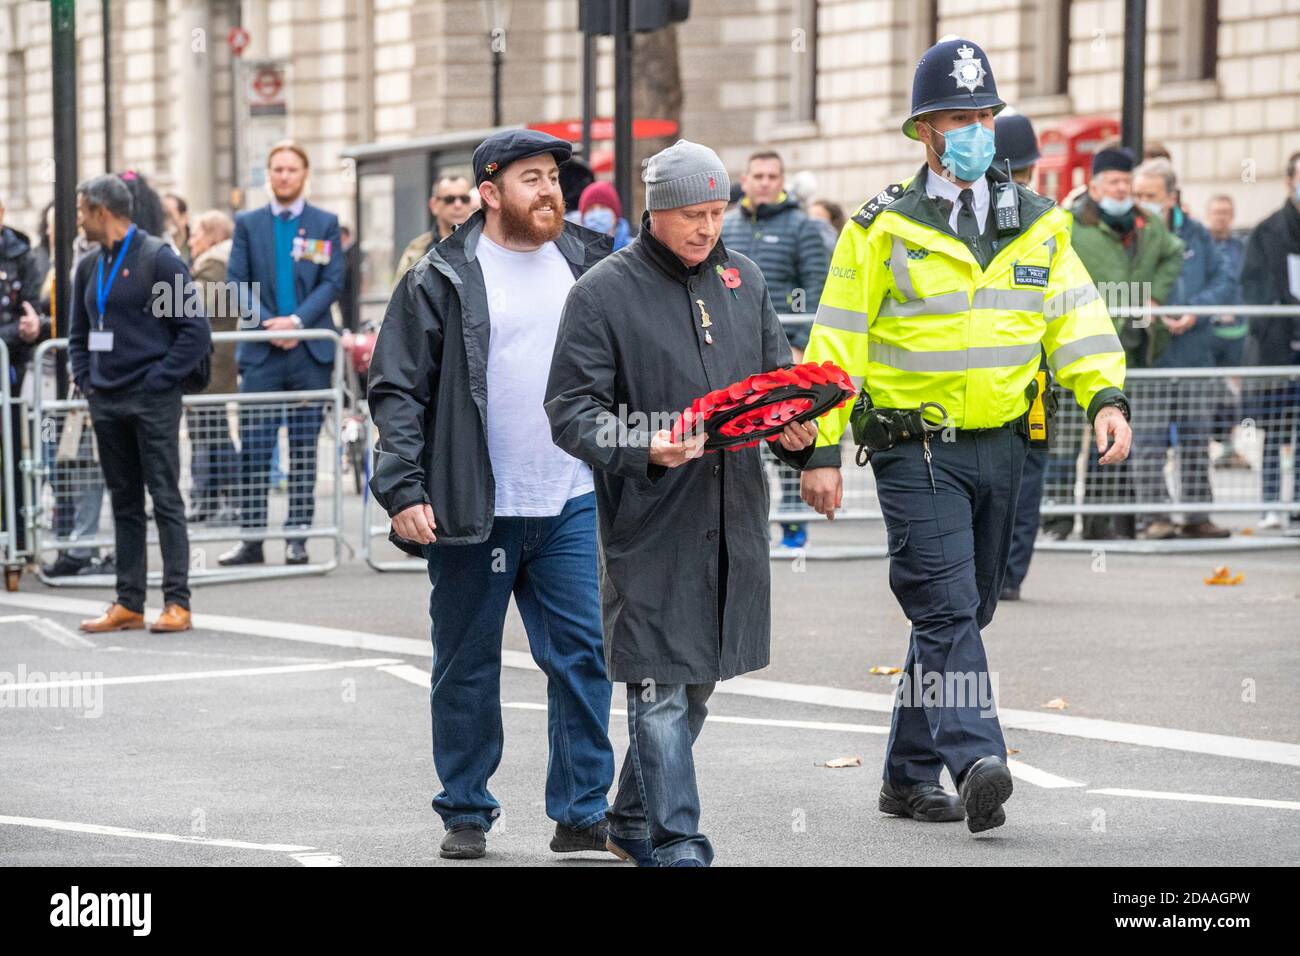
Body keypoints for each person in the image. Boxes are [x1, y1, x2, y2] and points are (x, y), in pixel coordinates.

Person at [800, 39, 1131, 835]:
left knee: (964, 611)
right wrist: (819, 447)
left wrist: (1104, 399)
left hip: (1003, 443)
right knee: (945, 606)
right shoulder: (880, 228)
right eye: (959, 118)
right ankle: (977, 755)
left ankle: (907, 777)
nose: (977, 130)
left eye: (986, 114)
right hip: (912, 446)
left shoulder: (1040, 225)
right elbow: (836, 340)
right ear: (926, 132)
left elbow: (1076, 320)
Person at [546, 139, 817, 866]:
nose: (706, 227)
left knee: (697, 683)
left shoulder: (744, 278)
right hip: (650, 518)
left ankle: (629, 820)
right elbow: (571, 411)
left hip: (732, 515)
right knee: (660, 684)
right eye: (691, 213)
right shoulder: (601, 292)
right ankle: (677, 839)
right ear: (655, 211)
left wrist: (800, 435)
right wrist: (647, 445)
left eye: (717, 211)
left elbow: (775, 381)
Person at [368, 129, 617, 862]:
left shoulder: (592, 261)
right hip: (474, 504)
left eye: (553, 177)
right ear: (489, 192)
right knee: (467, 661)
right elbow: (397, 389)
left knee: (582, 658)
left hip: (571, 497)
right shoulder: (440, 274)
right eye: (531, 177)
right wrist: (402, 489)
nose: (549, 190)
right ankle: (467, 809)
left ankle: (579, 812)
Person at [68, 175, 210, 634]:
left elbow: (194, 332)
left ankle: (177, 602)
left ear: (100, 211)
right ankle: (128, 602)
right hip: (105, 401)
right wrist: (88, 381)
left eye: (80, 210)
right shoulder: (89, 267)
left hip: (151, 401)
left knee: (165, 499)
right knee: (124, 503)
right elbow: (78, 335)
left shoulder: (158, 258)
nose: (77, 219)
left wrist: (157, 381)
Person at [220, 140, 344, 567]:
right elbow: (235, 281)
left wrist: (296, 323)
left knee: (304, 450)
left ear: (304, 174)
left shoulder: (324, 223)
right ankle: (252, 539)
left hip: (309, 352)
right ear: (269, 174)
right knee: (254, 448)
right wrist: (269, 322)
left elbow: (332, 281)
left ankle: (297, 537)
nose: (284, 176)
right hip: (262, 353)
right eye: (277, 169)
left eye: (291, 169)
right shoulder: (249, 223)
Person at [1067, 146, 1183, 539]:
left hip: (1130, 348)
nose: (1122, 188)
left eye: (1126, 181)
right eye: (1114, 181)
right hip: (1080, 347)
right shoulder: (1071, 225)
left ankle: (1103, 523)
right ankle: (1057, 521)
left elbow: (1174, 253)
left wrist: (1157, 295)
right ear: (1095, 189)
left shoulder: (1147, 226)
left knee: (1114, 436)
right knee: (1066, 442)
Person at [721, 149, 829, 549]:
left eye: (772, 176)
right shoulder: (727, 226)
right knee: (741, 443)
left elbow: (817, 287)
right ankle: (752, 530)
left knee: (787, 435)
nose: (764, 182)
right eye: (758, 175)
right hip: (735, 358)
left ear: (781, 182)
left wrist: (800, 345)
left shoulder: (803, 228)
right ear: (745, 181)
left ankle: (794, 525)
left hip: (784, 358)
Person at [1132, 158, 1234, 538]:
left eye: (1151, 195)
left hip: (1194, 353)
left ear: (1172, 197)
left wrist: (1195, 310)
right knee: (1150, 441)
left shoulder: (1198, 235)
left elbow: (1225, 280)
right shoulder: (1130, 233)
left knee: (1195, 439)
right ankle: (1155, 517)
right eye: (1138, 194)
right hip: (1152, 355)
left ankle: (1196, 515)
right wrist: (1151, 312)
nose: (1142, 201)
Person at [989, 112, 1050, 599]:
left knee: (1027, 480)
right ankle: (1000, 575)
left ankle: (1007, 575)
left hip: (1033, 382)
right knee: (1019, 481)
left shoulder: (1046, 217)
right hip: (1008, 381)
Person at [1240, 150, 1300, 528]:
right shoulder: (1267, 230)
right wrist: (1270, 329)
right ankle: (1270, 506)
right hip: (1277, 349)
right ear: (1289, 180)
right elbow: (1252, 286)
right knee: (1275, 430)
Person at [0, 194, 48, 557]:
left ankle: (16, 539)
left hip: (12, 370)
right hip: (12, 351)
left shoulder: (21, 253)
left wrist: (23, 331)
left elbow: (32, 312)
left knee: (17, 454)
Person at [185, 210, 240, 524]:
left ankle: (225, 501)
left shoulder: (213, 263)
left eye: (196, 233)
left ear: (213, 235)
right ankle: (208, 500)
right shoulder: (217, 261)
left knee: (212, 432)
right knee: (207, 430)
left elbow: (197, 307)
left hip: (213, 360)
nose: (191, 240)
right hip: (215, 357)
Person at [395, 174, 476, 277]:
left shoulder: (483, 243)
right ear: (434, 205)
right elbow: (402, 291)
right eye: (449, 199)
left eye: (464, 199)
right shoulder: (417, 250)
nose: (458, 205)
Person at [1205, 195, 1249, 367]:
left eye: (1225, 212)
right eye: (1216, 212)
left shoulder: (1242, 247)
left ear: (1232, 216)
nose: (1221, 217)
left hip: (1238, 329)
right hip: (1207, 330)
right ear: (1208, 215)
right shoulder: (1200, 247)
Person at [577, 180, 632, 250]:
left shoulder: (635, 252)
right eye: (590, 209)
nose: (597, 214)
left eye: (603, 207)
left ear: (615, 216)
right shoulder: (574, 255)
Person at [164, 192, 190, 263]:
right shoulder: (157, 248)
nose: (164, 222)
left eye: (168, 215)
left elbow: (178, 274)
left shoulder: (196, 246)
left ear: (184, 218)